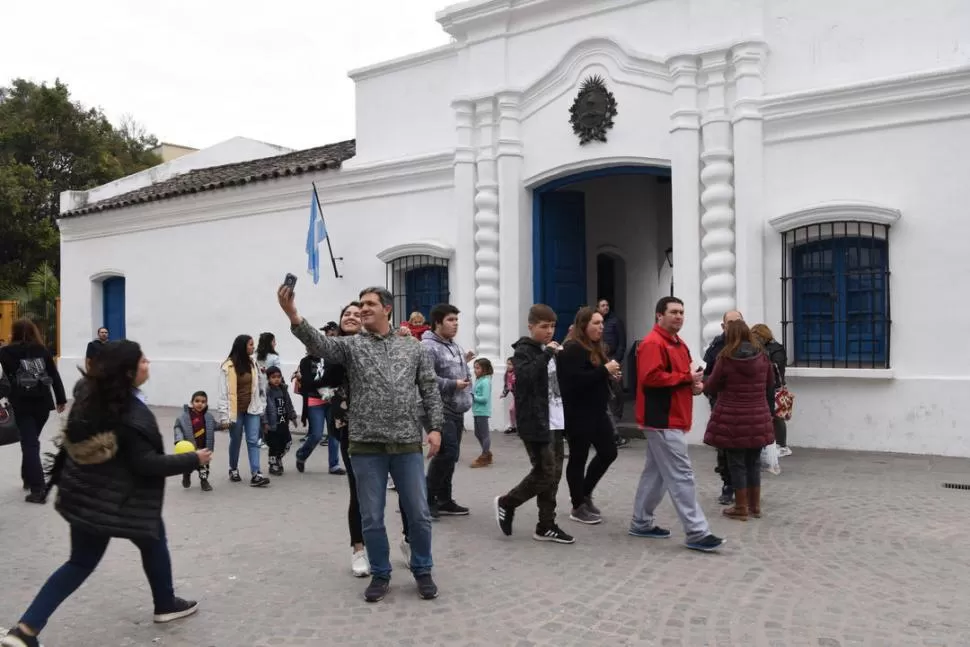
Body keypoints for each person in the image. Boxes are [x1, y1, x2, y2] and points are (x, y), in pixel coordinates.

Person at [0, 341, 210, 647]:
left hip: (85, 495)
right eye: (143, 360)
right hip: (113, 502)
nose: (148, 363)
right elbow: (146, 464)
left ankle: (26, 629)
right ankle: (26, 630)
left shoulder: (91, 394)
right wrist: (194, 459)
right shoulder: (128, 413)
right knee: (92, 559)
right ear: (128, 371)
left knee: (143, 541)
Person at [278, 284, 444, 603]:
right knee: (371, 517)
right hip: (366, 445)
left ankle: (422, 569)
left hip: (407, 443)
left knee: (419, 513)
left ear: (387, 309)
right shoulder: (352, 346)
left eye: (369, 304)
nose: (363, 309)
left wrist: (435, 427)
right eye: (361, 304)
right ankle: (380, 573)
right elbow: (320, 344)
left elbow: (429, 388)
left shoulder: (414, 347)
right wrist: (293, 315)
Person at [628, 296, 725, 552]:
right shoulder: (653, 343)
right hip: (661, 419)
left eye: (682, 312)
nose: (679, 316)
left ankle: (641, 521)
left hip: (672, 417)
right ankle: (697, 531)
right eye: (673, 312)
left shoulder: (678, 344)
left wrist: (693, 384)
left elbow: (680, 377)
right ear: (659, 315)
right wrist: (685, 379)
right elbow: (650, 377)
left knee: (656, 474)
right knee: (681, 475)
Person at [494, 304, 573, 545]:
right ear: (531, 327)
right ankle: (508, 502)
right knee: (544, 473)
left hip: (555, 419)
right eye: (543, 326)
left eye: (552, 326)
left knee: (554, 475)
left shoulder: (550, 350)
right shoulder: (524, 351)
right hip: (536, 423)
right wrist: (547, 353)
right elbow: (526, 378)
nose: (549, 331)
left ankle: (545, 525)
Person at [703, 320, 775, 521]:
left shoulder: (725, 358)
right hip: (758, 415)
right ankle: (755, 506)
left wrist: (703, 383)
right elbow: (770, 384)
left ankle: (741, 506)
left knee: (736, 463)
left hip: (732, 418)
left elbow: (712, 385)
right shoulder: (763, 357)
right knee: (753, 462)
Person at [559, 307, 621, 525]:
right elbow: (573, 381)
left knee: (608, 452)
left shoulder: (595, 347)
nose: (601, 327)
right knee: (578, 457)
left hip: (597, 411)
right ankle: (577, 506)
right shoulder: (572, 348)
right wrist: (604, 370)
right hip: (578, 412)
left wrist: (610, 374)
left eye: (602, 323)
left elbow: (595, 375)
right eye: (596, 323)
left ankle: (584, 492)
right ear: (583, 325)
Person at [325, 302, 373, 577]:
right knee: (358, 490)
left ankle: (408, 539)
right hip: (349, 427)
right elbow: (327, 378)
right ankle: (358, 549)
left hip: (382, 426)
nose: (352, 317)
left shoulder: (376, 343)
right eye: (347, 314)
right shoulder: (336, 349)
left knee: (401, 489)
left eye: (357, 314)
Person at [0, 318, 67, 504]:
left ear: (13, 332)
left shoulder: (5, 352)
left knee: (30, 444)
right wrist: (60, 399)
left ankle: (38, 489)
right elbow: (54, 374)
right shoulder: (42, 350)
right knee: (30, 440)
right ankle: (28, 477)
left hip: (21, 404)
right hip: (43, 405)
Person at [421, 303, 474, 518]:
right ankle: (426, 500)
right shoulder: (427, 346)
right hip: (437, 407)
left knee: (452, 455)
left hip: (456, 407)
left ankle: (444, 499)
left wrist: (466, 364)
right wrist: (453, 384)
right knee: (446, 452)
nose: (455, 324)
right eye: (451, 320)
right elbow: (426, 377)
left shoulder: (454, 345)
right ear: (437, 323)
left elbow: (455, 370)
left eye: (456, 320)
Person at [702, 309, 744, 505]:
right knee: (724, 446)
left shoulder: (753, 345)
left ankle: (746, 491)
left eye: (738, 322)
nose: (735, 327)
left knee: (747, 448)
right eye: (731, 323)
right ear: (723, 326)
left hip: (747, 406)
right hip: (722, 404)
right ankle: (728, 484)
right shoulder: (717, 346)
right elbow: (708, 374)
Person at [216, 335, 270, 487]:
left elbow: (260, 387)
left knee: (253, 441)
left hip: (251, 408)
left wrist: (262, 406)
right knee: (236, 440)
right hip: (235, 411)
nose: (254, 347)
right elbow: (223, 393)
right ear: (242, 346)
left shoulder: (253, 363)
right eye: (251, 345)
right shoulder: (228, 366)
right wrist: (224, 417)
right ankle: (233, 469)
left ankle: (256, 474)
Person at [294, 339, 345, 475]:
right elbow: (308, 382)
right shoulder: (305, 362)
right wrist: (323, 387)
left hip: (331, 400)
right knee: (316, 434)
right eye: (310, 346)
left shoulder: (329, 360)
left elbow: (335, 378)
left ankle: (334, 465)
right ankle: (301, 455)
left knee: (334, 433)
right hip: (315, 401)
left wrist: (329, 387)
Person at [751, 323, 791, 457]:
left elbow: (777, 367)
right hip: (762, 387)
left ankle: (782, 445)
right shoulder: (758, 348)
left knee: (777, 417)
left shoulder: (776, 349)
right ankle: (768, 444)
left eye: (757, 337)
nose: (755, 339)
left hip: (775, 388)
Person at [597, 299, 628, 448]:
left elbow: (622, 342)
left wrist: (617, 359)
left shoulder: (615, 322)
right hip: (600, 360)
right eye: (603, 305)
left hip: (613, 359)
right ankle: (610, 429)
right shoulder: (596, 322)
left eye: (607, 305)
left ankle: (615, 420)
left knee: (617, 391)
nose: (606, 307)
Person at [173, 390, 219, 491]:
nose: (200, 404)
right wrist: (179, 440)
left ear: (206, 403)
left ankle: (204, 481)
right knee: (188, 465)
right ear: (191, 402)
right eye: (197, 401)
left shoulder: (208, 417)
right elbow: (178, 428)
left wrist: (225, 425)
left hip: (204, 447)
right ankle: (186, 475)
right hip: (190, 447)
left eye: (203, 402)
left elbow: (214, 426)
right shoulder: (183, 417)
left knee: (204, 467)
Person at [264, 366, 297, 476]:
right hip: (273, 425)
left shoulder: (283, 389)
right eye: (273, 377)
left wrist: (292, 416)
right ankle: (273, 464)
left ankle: (278, 458)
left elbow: (288, 404)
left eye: (278, 377)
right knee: (274, 446)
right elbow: (263, 409)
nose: (276, 379)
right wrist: (265, 423)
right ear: (268, 378)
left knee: (287, 442)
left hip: (283, 423)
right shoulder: (266, 392)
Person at [470, 357, 494, 467]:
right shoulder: (479, 380)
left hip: (482, 411)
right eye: (475, 368)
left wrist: (472, 396)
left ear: (485, 369)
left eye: (478, 368)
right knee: (477, 433)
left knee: (484, 435)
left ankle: (484, 456)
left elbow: (484, 398)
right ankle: (487, 453)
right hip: (477, 411)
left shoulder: (485, 381)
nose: (475, 370)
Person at [501, 357, 516, 434]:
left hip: (520, 396)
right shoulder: (507, 374)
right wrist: (504, 393)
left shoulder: (516, 374)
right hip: (515, 396)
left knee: (516, 410)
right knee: (511, 410)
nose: (508, 366)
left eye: (510, 364)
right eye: (507, 364)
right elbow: (506, 385)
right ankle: (513, 426)